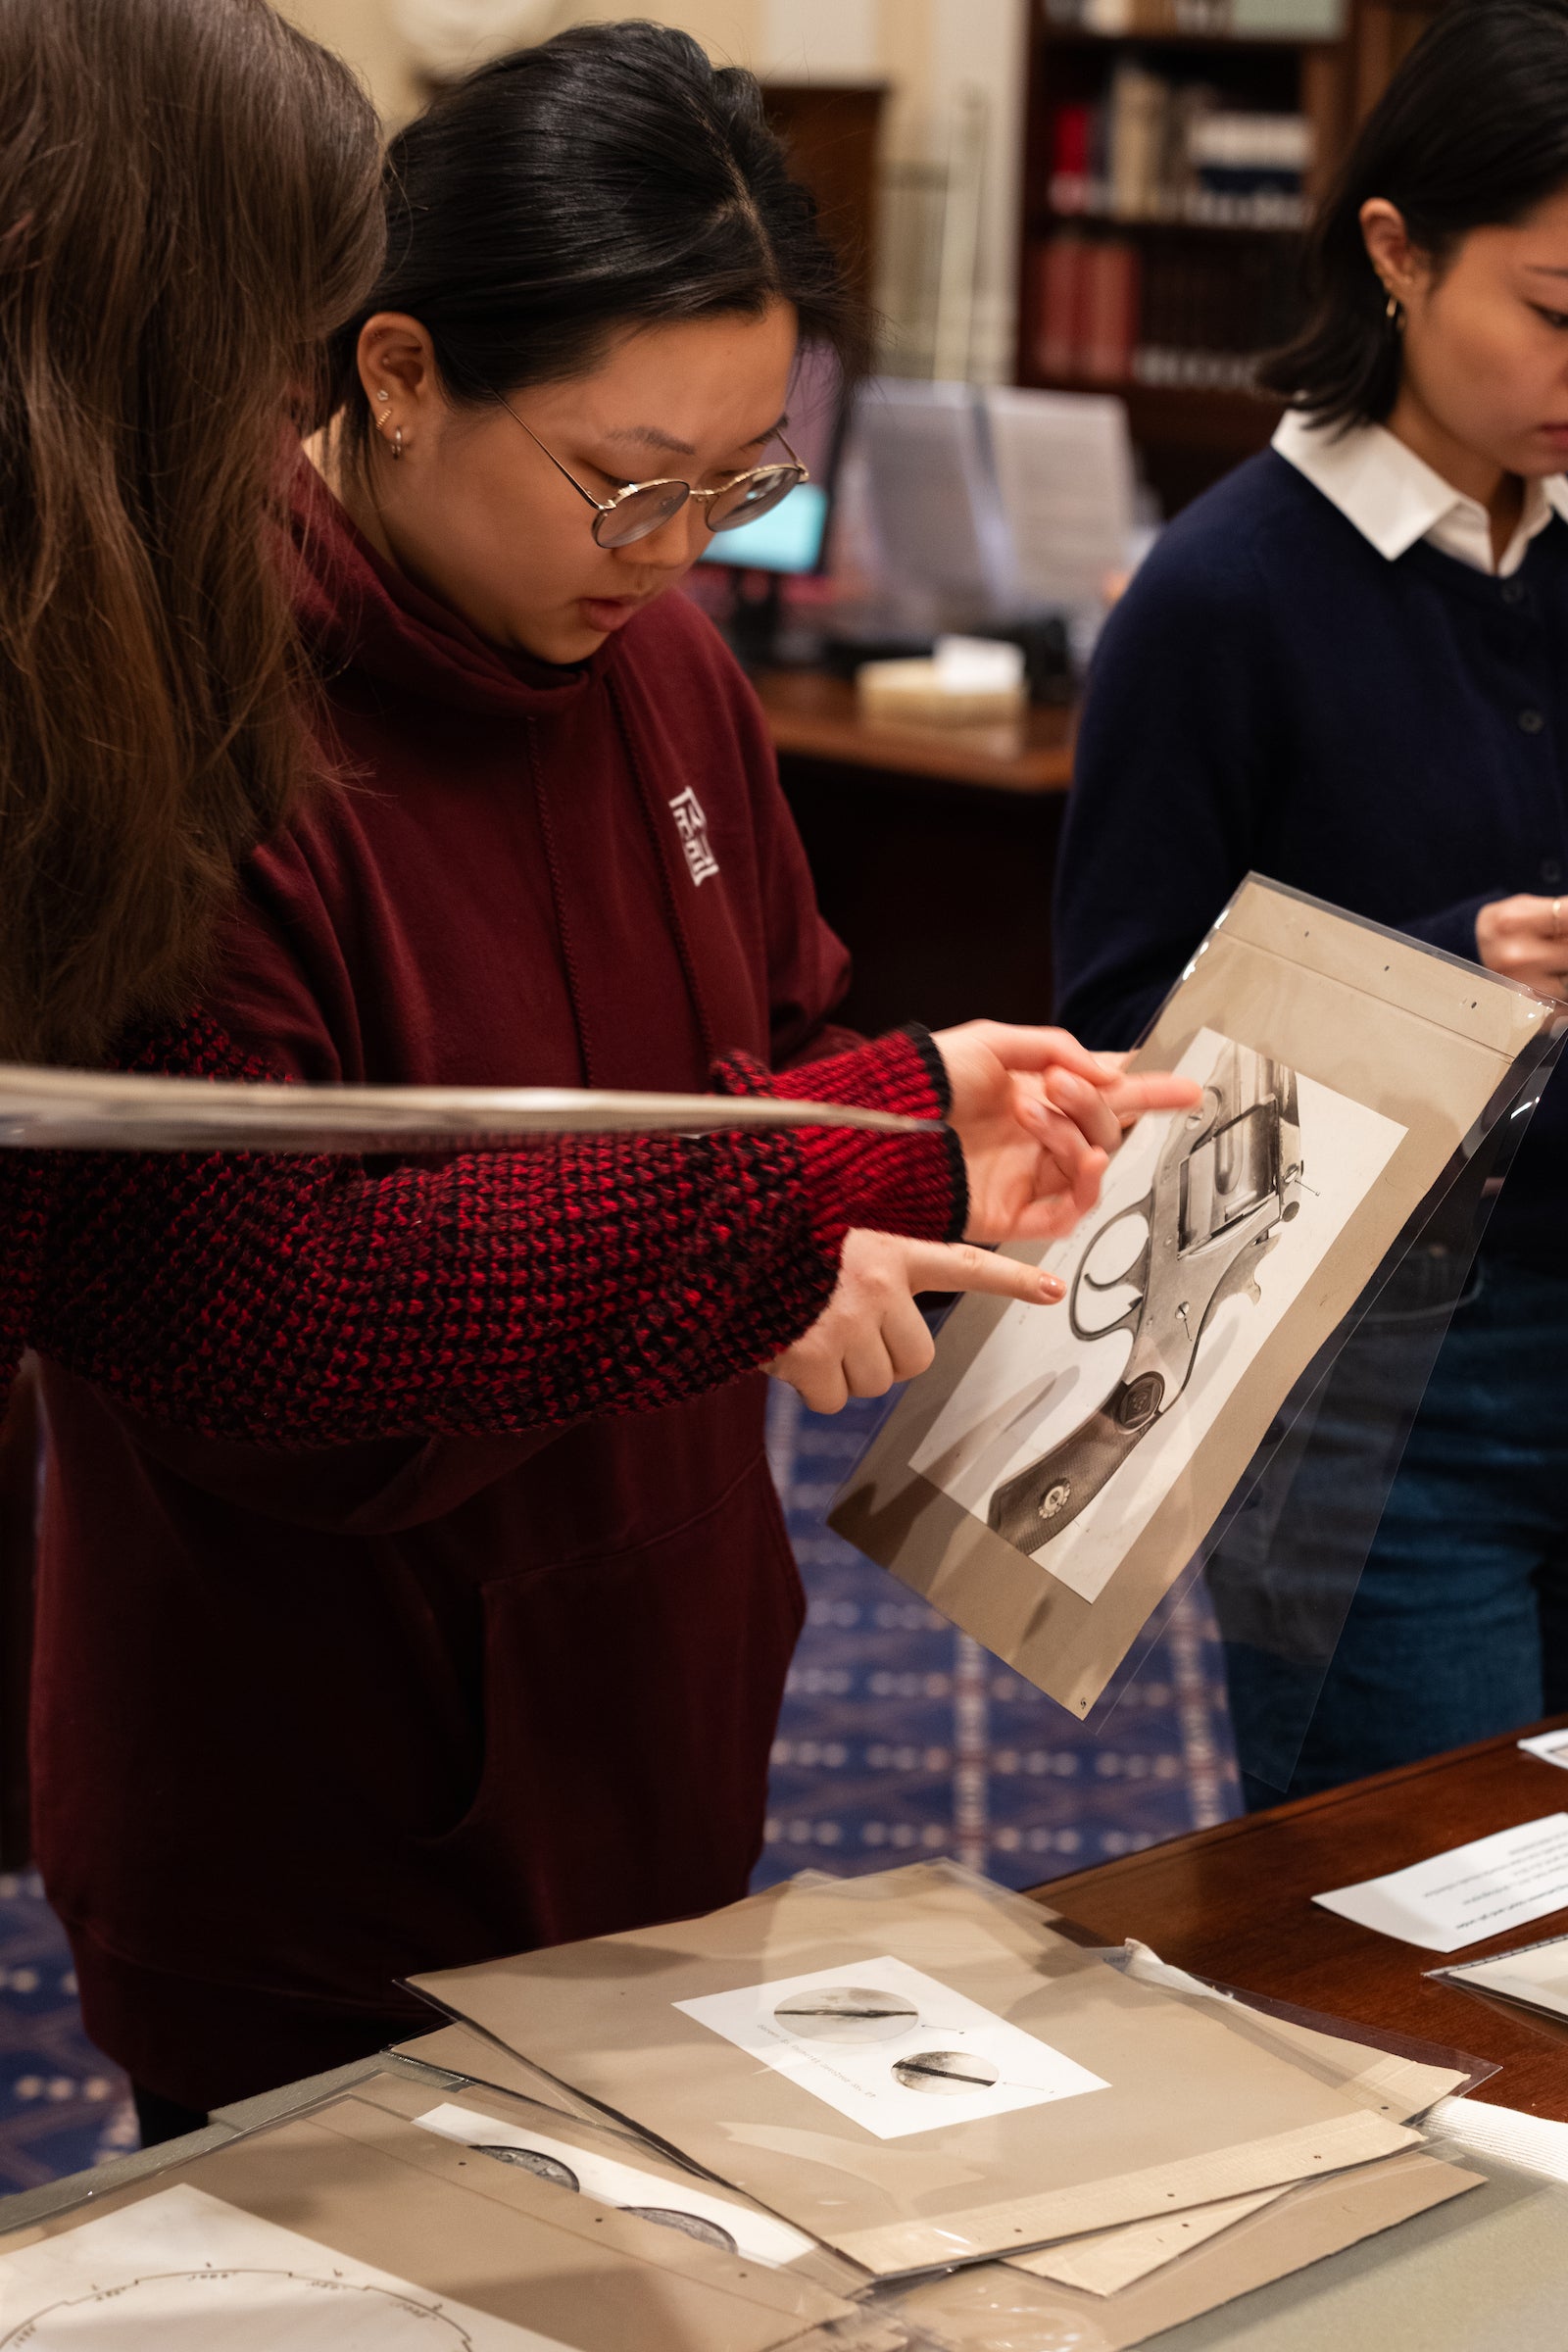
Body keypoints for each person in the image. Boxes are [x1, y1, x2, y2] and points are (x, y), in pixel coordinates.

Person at [22, 17, 1195, 2145]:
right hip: (316, 1774)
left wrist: (879, 1164)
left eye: (733, 483)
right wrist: (788, 1194)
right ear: (388, 375)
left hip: (656, 1700)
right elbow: (271, 1327)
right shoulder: (181, 720)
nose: (669, 544)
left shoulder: (660, 659)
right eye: (621, 476)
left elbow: (760, 1048)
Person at [1054, 0, 1568, 1806]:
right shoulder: (1224, 595)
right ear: (1396, 253)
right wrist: (1454, 974)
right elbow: (1123, 1042)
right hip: (1370, 1377)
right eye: (1560, 310)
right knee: (1407, 1936)